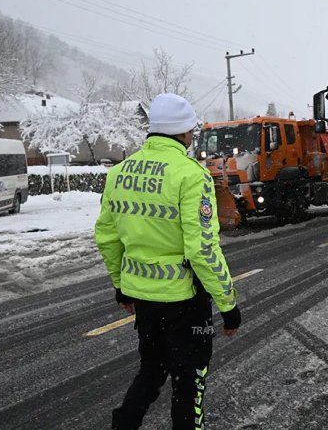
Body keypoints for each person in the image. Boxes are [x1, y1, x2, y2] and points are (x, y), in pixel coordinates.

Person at [95, 93, 241, 430]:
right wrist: (228, 304)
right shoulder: (191, 176)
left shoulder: (118, 173)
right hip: (184, 302)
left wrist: (121, 287)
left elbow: (106, 236)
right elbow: (202, 250)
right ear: (185, 134)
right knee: (189, 385)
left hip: (143, 299)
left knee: (150, 371)